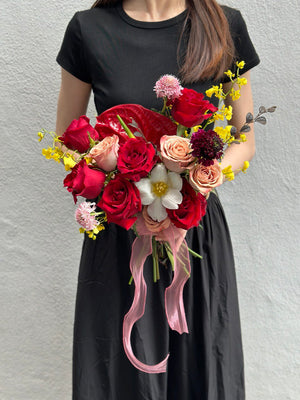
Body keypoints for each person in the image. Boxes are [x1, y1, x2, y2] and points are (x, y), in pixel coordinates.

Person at [56, 0, 260, 399]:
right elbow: (69, 140)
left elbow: (244, 137)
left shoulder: (224, 24)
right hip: (119, 229)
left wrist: (199, 181)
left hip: (194, 229)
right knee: (117, 376)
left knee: (200, 366)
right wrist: (125, 201)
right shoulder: (88, 29)